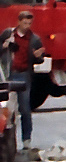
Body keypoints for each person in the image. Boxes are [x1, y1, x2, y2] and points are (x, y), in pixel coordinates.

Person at [1, 11, 46, 149]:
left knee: (25, 108)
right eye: (25, 23)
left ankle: (26, 140)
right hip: (9, 74)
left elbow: (40, 57)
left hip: (24, 74)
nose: (27, 26)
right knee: (8, 109)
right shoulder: (8, 34)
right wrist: (4, 47)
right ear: (19, 22)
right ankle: (9, 141)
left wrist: (38, 56)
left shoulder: (34, 39)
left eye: (29, 23)